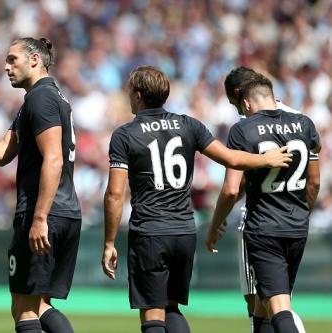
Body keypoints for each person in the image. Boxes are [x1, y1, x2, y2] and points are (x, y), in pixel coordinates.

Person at [101, 66, 293, 333]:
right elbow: (231, 158)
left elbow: (114, 194)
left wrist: (109, 241)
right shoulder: (189, 124)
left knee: (153, 315)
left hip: (150, 231)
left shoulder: (125, 134)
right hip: (184, 231)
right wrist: (265, 159)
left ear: (138, 94)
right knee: (172, 308)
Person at [0, 37, 81, 333]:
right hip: (65, 210)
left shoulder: (40, 98)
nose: (6, 67)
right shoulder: (46, 97)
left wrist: (40, 218)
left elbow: (54, 159)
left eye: (12, 60)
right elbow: (5, 152)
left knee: (23, 308)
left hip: (44, 210)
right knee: (39, 303)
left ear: (34, 60)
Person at [205, 72, 320, 333]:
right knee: (266, 304)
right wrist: (301, 214)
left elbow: (232, 189)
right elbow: (314, 181)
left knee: (277, 307)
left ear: (245, 103)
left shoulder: (243, 129)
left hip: (264, 226)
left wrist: (215, 226)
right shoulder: (304, 124)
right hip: (297, 225)